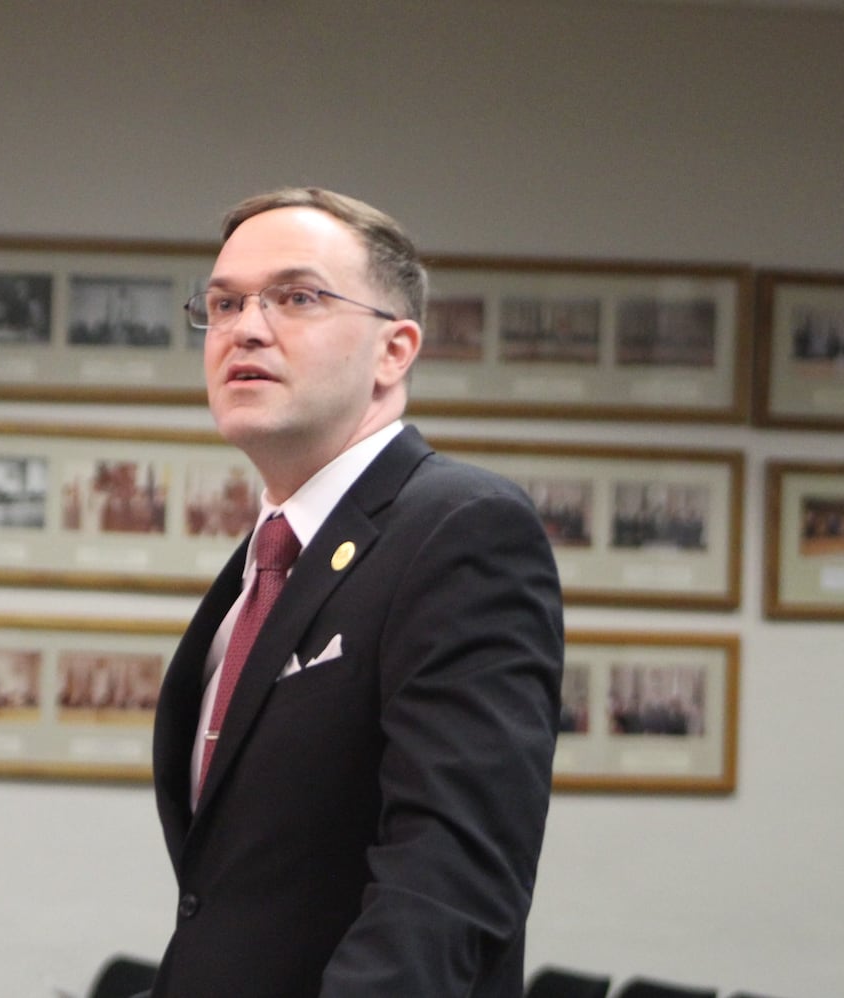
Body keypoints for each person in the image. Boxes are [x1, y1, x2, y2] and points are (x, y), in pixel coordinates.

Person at [148, 188, 564, 997]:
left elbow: (447, 877)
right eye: (225, 303)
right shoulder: (265, 564)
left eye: (297, 297)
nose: (247, 327)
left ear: (395, 350)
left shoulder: (462, 529)